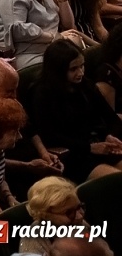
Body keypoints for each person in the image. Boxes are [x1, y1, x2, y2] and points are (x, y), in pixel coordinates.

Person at [29, 39, 122, 182]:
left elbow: (111, 117)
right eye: (73, 69)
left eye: (82, 66)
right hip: (74, 156)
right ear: (58, 70)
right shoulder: (42, 93)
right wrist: (89, 148)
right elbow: (50, 135)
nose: (80, 73)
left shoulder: (85, 84)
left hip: (100, 146)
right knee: (116, 181)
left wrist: (109, 135)